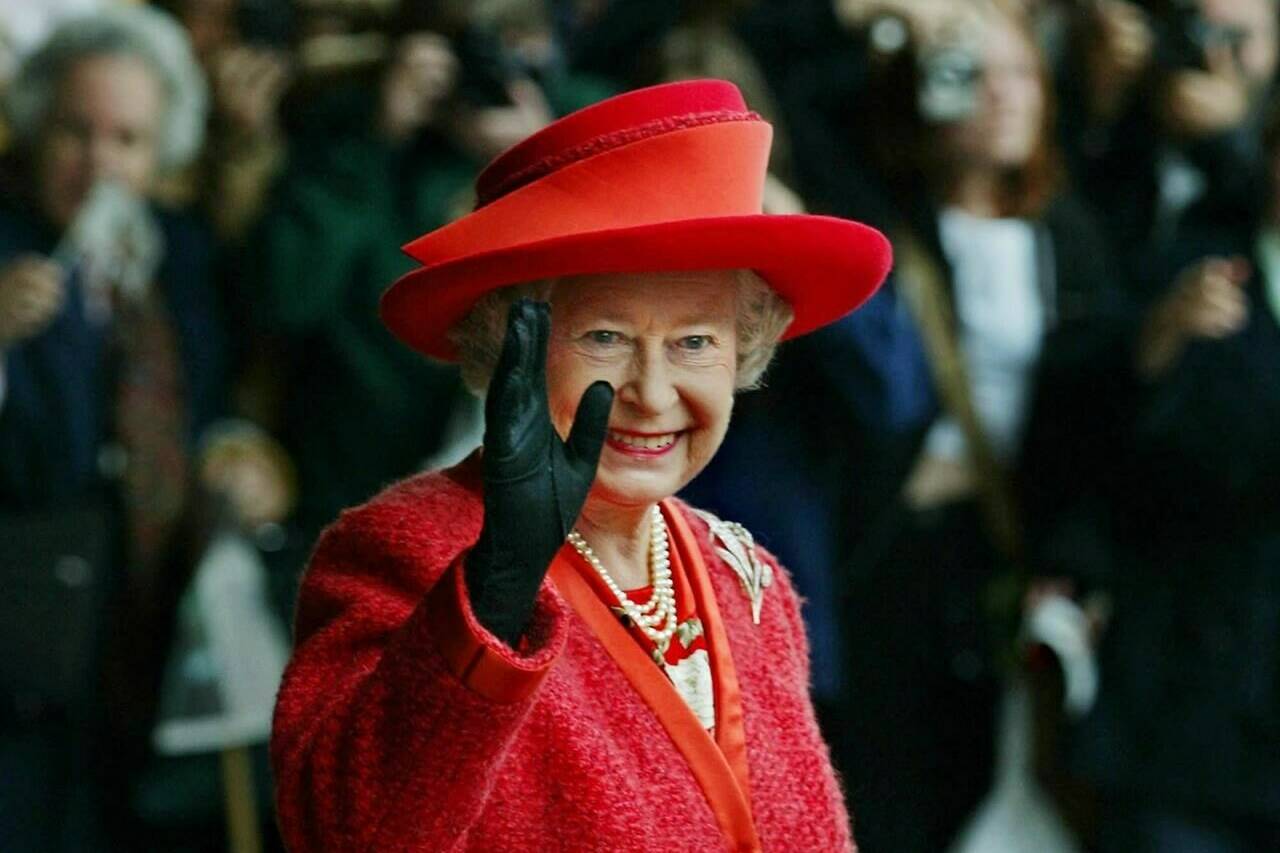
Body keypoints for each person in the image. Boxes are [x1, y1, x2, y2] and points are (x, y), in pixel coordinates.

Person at [270, 78, 892, 851]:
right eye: (605, 337)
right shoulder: (405, 552)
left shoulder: (749, 580)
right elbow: (345, 832)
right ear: (510, 349)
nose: (652, 391)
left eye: (695, 341)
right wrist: (494, 590)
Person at [0, 6, 290, 849]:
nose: (99, 165)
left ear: (160, 150)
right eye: (74, 133)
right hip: (25, 657)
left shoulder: (178, 250)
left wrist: (238, 454)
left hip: (153, 634)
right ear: (32, 130)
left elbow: (215, 402)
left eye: (126, 140)